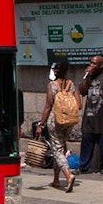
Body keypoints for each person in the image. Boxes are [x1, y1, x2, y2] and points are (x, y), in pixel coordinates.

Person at [34, 61, 78, 192]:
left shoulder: (52, 85)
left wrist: (41, 124)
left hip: (56, 120)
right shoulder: (71, 84)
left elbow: (48, 106)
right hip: (69, 121)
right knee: (60, 147)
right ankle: (56, 179)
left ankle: (68, 175)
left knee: (57, 150)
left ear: (56, 70)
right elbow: (79, 104)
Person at [77, 55, 103, 174]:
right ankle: (83, 166)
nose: (92, 65)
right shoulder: (89, 77)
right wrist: (86, 77)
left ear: (101, 65)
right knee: (86, 141)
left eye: (95, 64)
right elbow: (82, 91)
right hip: (89, 116)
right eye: (91, 63)